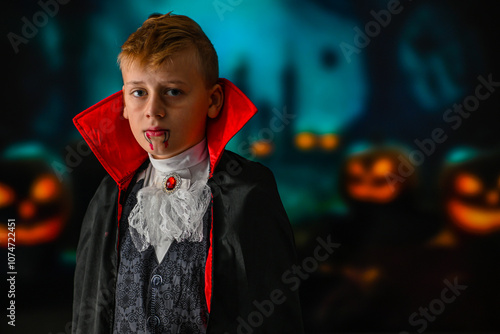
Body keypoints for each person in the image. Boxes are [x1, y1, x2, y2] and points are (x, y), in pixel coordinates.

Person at [72, 12, 303, 334]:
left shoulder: (247, 193)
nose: (153, 110)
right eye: (139, 92)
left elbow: (272, 321)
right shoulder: (110, 196)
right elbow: (89, 312)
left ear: (213, 100)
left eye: (173, 92)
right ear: (123, 103)